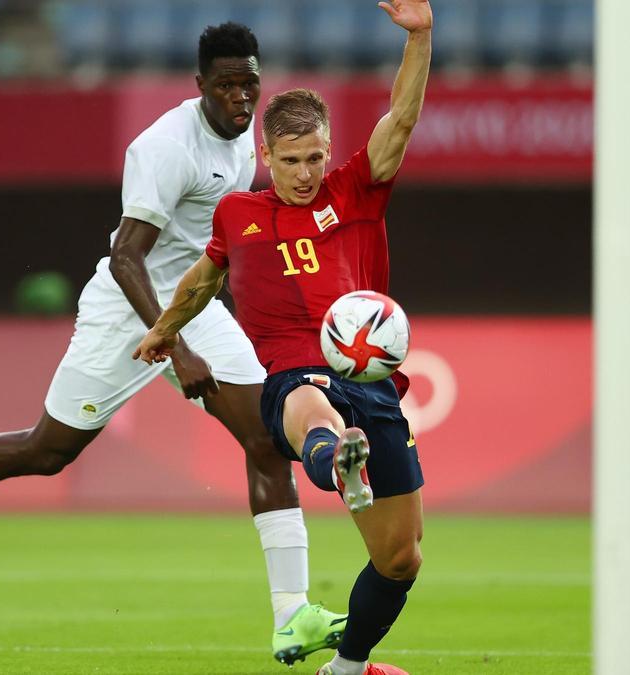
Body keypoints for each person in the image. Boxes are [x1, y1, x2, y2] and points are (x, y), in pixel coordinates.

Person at [0, 23, 347, 666]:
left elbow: (218, 241)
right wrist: (173, 346)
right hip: (129, 310)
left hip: (192, 305)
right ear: (200, 85)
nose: (239, 96)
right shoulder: (166, 147)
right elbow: (126, 258)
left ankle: (292, 616)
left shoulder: (244, 143)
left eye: (248, 84)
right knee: (48, 450)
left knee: (266, 436)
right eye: (226, 85)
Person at [134, 3, 432, 673]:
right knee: (307, 401)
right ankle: (335, 460)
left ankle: (347, 666)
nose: (305, 172)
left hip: (374, 383)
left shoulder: (355, 189)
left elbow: (403, 119)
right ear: (265, 154)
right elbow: (204, 278)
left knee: (401, 555)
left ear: (330, 149)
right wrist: (163, 329)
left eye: (316, 157)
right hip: (297, 374)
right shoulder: (239, 212)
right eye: (292, 160)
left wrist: (421, 35)